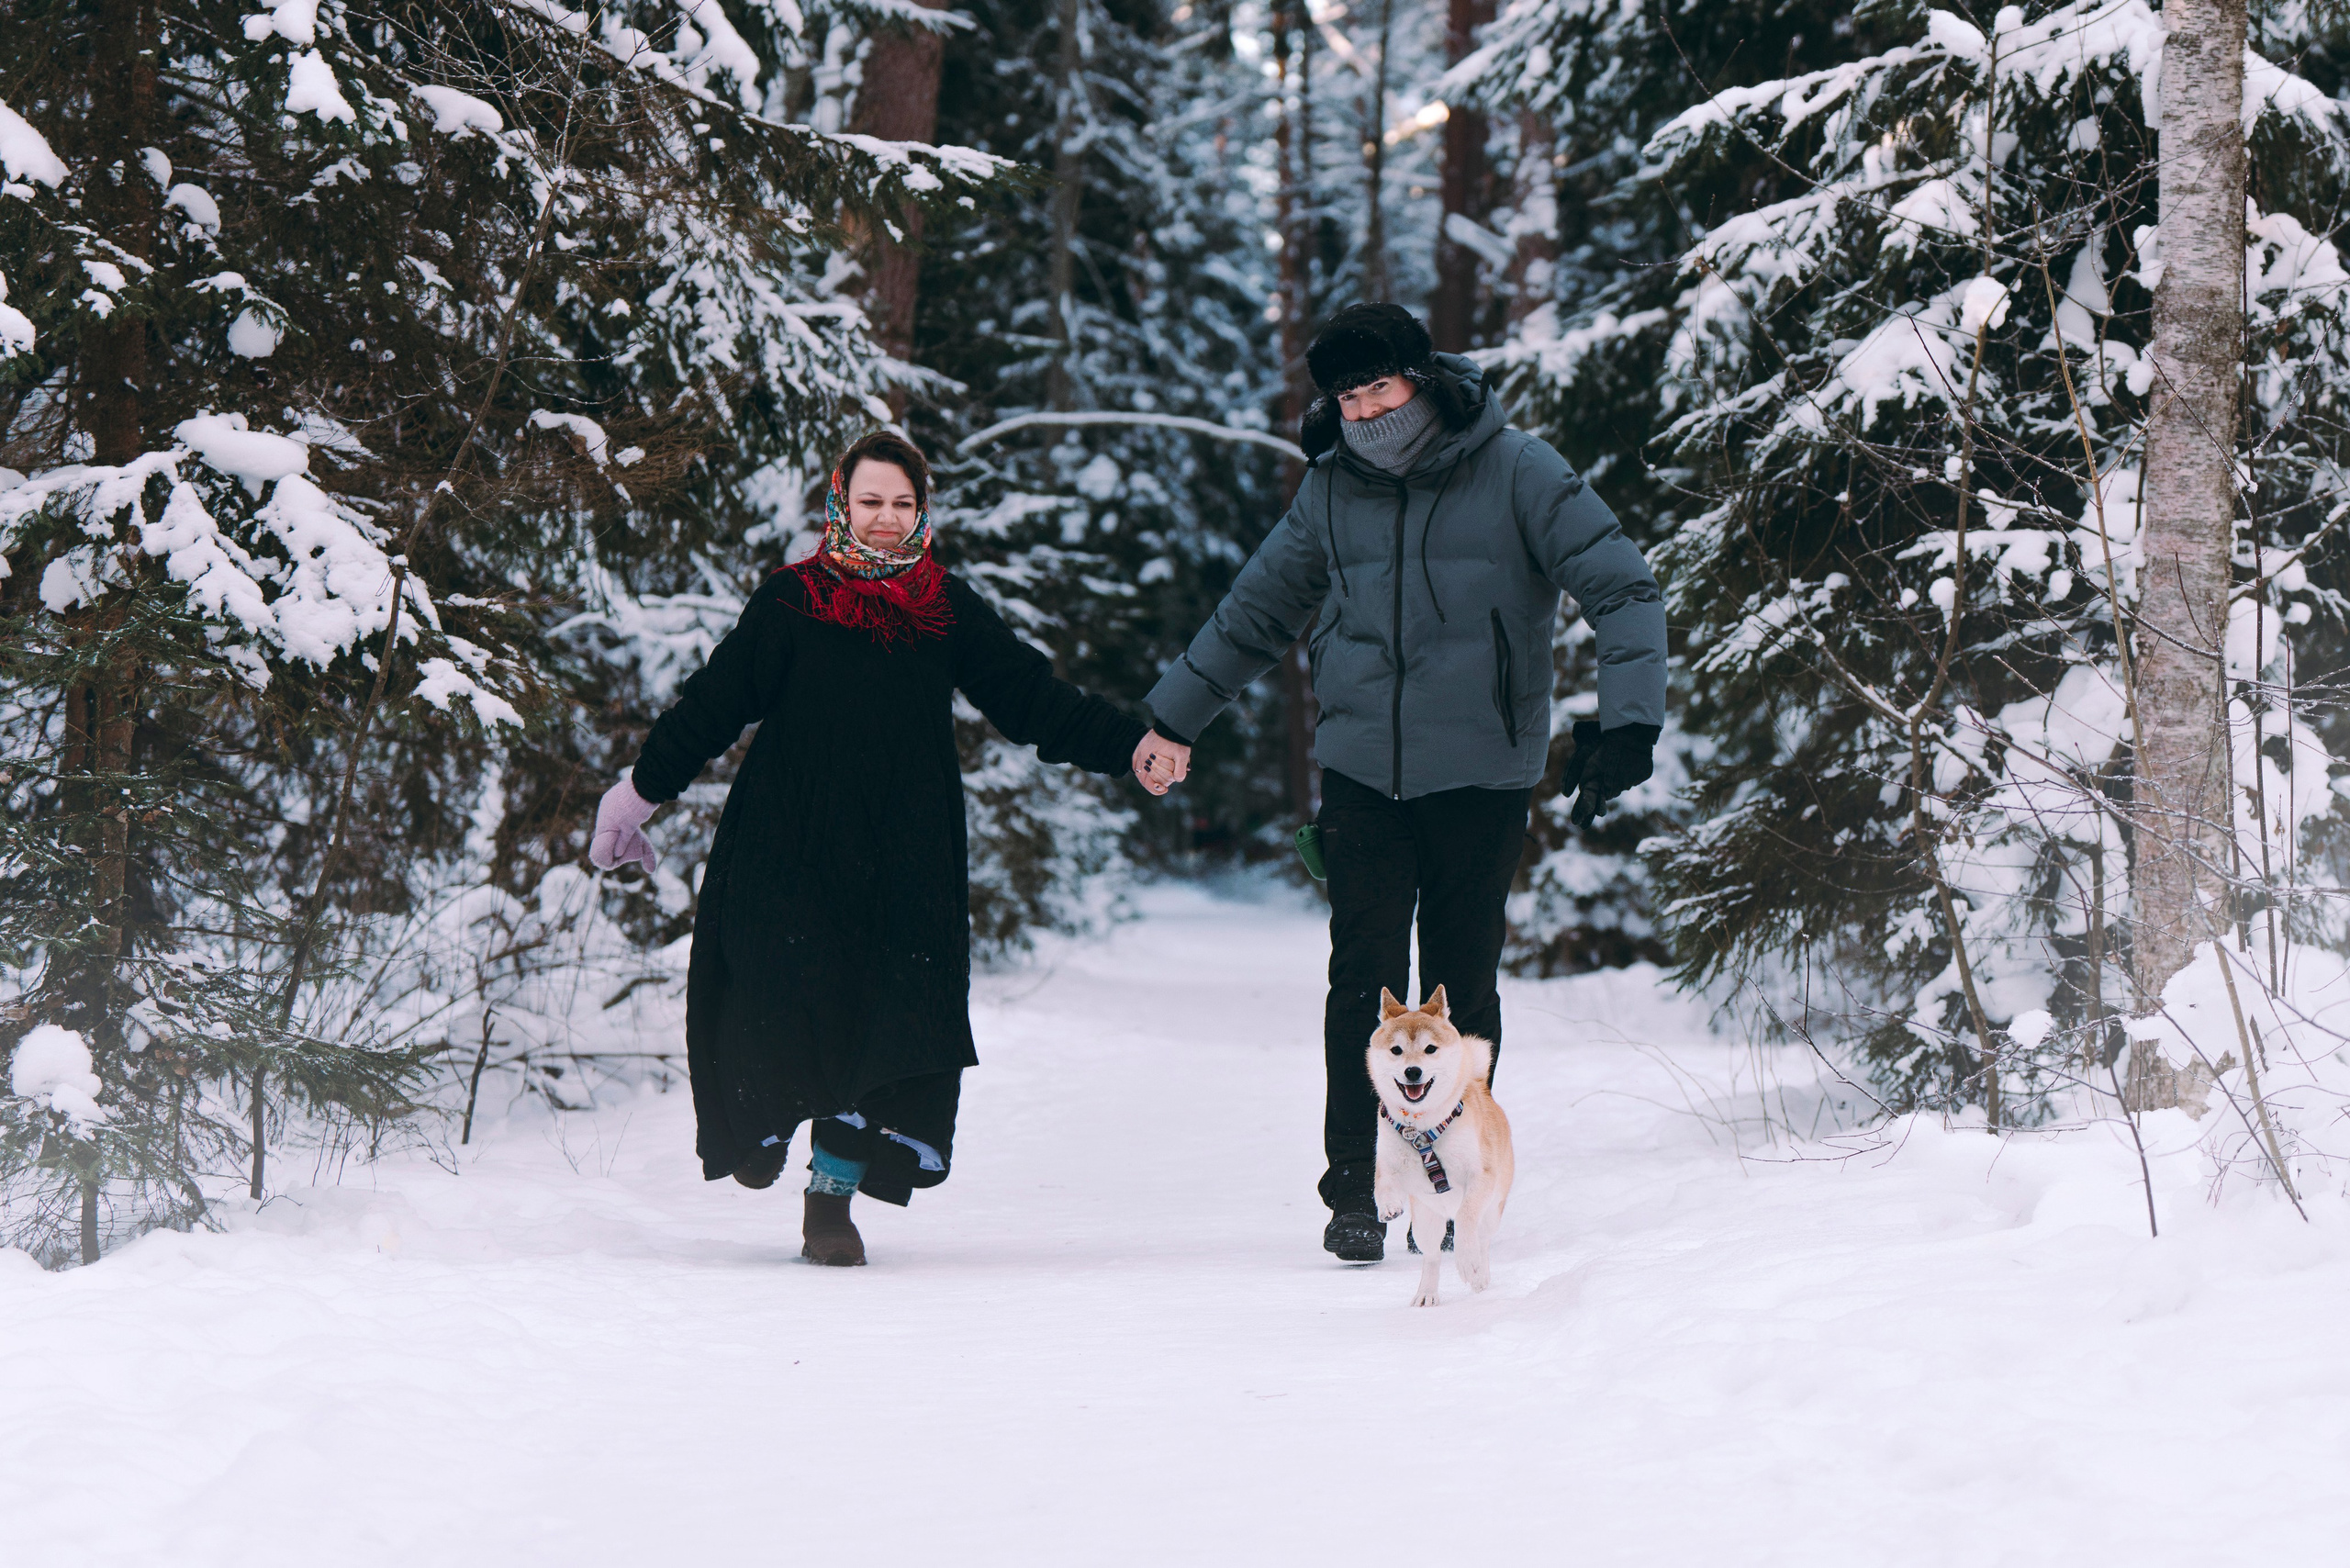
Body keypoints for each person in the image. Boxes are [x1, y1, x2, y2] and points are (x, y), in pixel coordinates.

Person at [1129, 304, 1666, 1263]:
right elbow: (1256, 610)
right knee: (1364, 981)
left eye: (1380, 386)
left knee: (1459, 981)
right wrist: (1174, 717)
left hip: (1483, 769)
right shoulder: (1332, 489)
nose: (1366, 410)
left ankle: (1458, 1183)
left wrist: (1628, 718)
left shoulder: (1518, 469)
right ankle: (1357, 1188)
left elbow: (1620, 583)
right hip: (1363, 771)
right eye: (1346, 396)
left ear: (1423, 375)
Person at [588, 431, 1173, 1266]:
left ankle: (831, 1200)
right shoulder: (790, 601)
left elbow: (1031, 698)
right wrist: (637, 795)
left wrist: (1130, 745)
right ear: (841, 504)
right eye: (872, 502)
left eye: (904, 504)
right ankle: (760, 1124)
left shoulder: (945, 606)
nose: (889, 520)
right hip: (788, 837)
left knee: (880, 1019)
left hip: (905, 849)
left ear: (922, 509)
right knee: (773, 983)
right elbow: (713, 706)